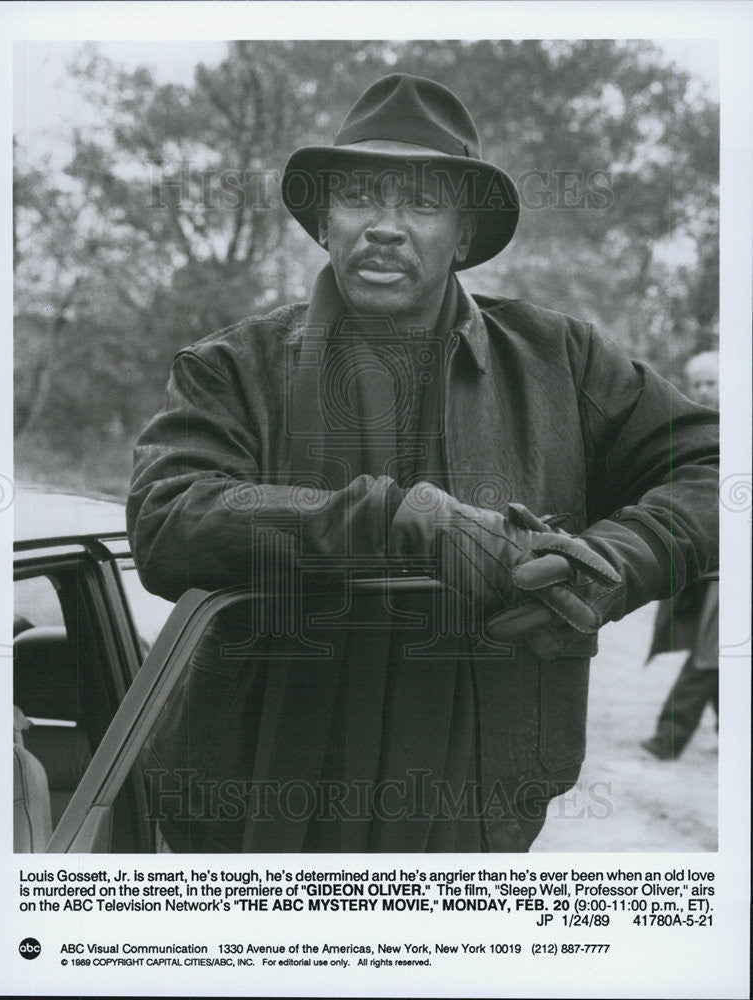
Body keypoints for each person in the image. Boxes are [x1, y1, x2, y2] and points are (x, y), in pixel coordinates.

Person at [127, 73, 718, 852]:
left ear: (465, 237)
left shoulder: (562, 362)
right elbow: (169, 518)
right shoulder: (233, 368)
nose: (385, 227)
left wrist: (607, 564)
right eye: (360, 198)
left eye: (422, 203)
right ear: (322, 225)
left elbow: (719, 470)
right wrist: (405, 519)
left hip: (472, 819)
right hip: (256, 814)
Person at [641, 351, 719, 760]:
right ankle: (731, 728)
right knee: (719, 647)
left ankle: (670, 736)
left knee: (714, 647)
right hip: (707, 556)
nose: (704, 390)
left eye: (712, 383)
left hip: (734, 564)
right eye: (698, 383)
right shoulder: (694, 430)